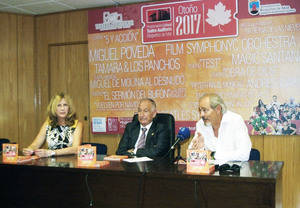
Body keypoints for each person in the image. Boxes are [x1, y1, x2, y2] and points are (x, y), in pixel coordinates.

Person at [188, 93, 252, 162]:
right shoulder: (201, 124)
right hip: (209, 171)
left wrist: (213, 155)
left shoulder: (235, 121)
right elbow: (192, 154)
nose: (201, 115)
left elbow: (244, 154)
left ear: (218, 109)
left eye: (205, 110)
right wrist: (199, 150)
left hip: (232, 170)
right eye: (200, 110)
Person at [23, 92, 83, 157]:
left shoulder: (77, 124)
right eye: (59, 105)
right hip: (50, 163)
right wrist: (29, 149)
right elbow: (36, 144)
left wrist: (52, 152)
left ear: (69, 108)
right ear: (53, 108)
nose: (62, 109)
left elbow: (75, 149)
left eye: (65, 105)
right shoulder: (48, 123)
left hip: (70, 163)